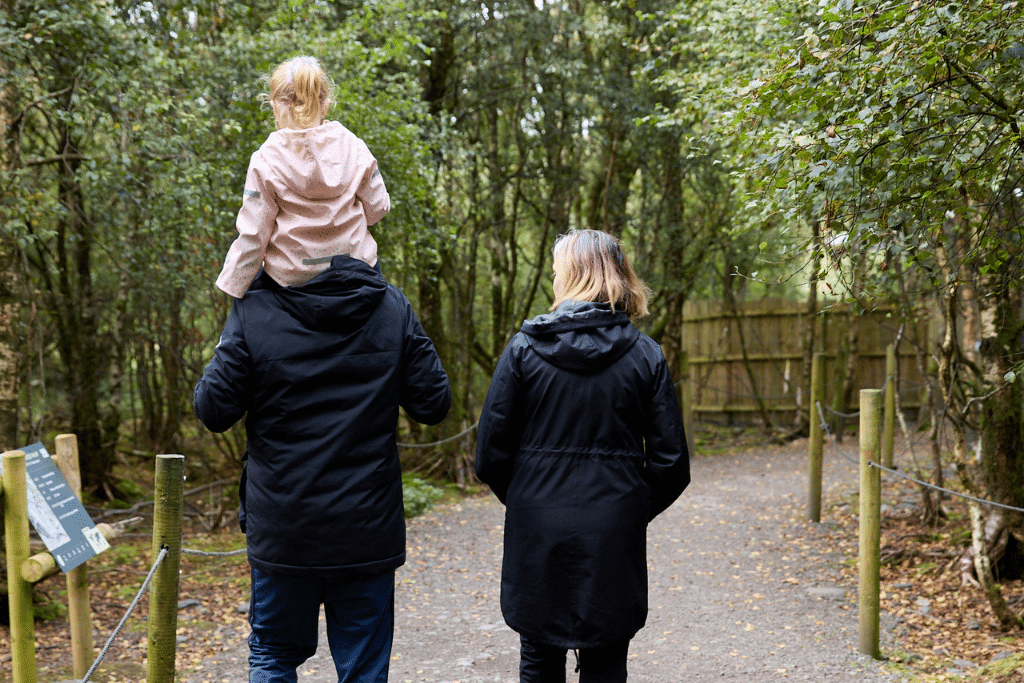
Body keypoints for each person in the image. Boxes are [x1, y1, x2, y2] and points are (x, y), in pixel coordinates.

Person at [194, 252, 451, 682]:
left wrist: (238, 321)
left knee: (273, 656)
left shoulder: (254, 307)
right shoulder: (390, 305)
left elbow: (213, 408)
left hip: (284, 528)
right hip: (366, 528)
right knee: (363, 671)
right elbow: (433, 402)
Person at [475, 228, 691, 683]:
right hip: (613, 529)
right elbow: (672, 464)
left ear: (570, 276)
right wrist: (626, 507)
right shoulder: (646, 355)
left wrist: (530, 500)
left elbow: (490, 453)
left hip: (537, 526)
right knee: (607, 660)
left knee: (538, 656)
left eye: (557, 269)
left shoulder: (522, 350)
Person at [215, 55, 390, 299]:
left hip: (290, 282)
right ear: (325, 104)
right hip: (357, 273)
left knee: (238, 330)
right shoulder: (354, 146)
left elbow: (254, 237)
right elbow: (378, 208)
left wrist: (234, 285)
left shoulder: (265, 159)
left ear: (275, 106)